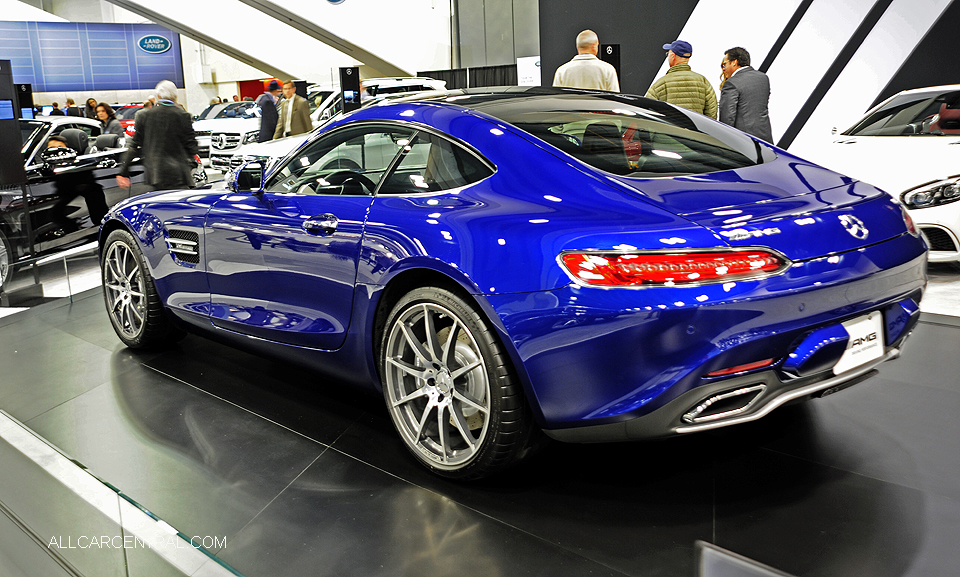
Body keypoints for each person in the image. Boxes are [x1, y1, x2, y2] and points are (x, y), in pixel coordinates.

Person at [117, 80, 198, 191]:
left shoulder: (144, 116)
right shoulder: (183, 116)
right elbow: (192, 146)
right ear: (175, 97)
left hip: (155, 174)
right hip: (178, 174)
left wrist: (123, 172)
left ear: (158, 96)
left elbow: (134, 145)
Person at [47, 135, 108, 231]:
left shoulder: (79, 164)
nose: (56, 152)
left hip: (80, 194)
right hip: (65, 195)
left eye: (59, 148)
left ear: (67, 149)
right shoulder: (48, 168)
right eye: (51, 149)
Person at [645, 40, 717, 119]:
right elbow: (712, 112)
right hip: (696, 130)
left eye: (668, 54)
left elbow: (648, 111)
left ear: (673, 56)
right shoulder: (703, 81)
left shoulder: (660, 84)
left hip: (670, 130)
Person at [718, 47, 773, 142]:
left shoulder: (731, 83)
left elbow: (727, 118)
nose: (724, 68)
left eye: (725, 64)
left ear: (734, 62)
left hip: (743, 141)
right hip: (765, 138)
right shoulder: (763, 78)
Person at [552, 30, 620, 92]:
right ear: (594, 46)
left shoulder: (562, 71)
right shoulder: (608, 70)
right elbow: (615, 100)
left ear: (577, 47)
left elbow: (556, 101)